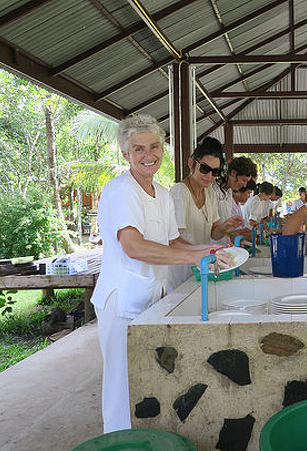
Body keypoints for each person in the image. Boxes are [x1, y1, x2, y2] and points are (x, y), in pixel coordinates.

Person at [90, 115, 231, 433]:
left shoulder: (163, 194)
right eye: (138, 148)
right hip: (121, 298)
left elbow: (172, 241)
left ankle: (144, 437)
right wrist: (190, 257)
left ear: (163, 149)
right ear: (125, 154)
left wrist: (206, 252)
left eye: (154, 146)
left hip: (153, 296)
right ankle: (117, 439)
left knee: (146, 377)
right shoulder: (120, 190)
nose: (147, 154)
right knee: (121, 381)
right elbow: (134, 246)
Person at [167, 137, 243, 287]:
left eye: (215, 172)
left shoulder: (210, 194)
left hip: (201, 271)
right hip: (180, 274)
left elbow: (214, 232)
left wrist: (223, 227)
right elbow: (172, 241)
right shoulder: (179, 193)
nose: (209, 176)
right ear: (191, 163)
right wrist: (201, 252)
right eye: (204, 169)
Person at [210, 156, 257, 244]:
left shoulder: (229, 192)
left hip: (224, 245)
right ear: (233, 173)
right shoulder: (213, 191)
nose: (244, 185)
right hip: (212, 246)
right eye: (243, 180)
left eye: (247, 181)